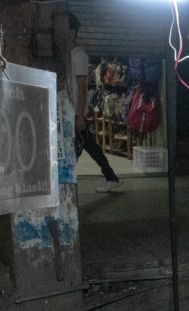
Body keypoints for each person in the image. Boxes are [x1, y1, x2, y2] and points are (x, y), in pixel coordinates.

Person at [69, 13, 122, 193]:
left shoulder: (78, 56)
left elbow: (82, 87)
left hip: (76, 114)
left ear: (72, 31)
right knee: (91, 147)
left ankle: (65, 190)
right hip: (73, 112)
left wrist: (80, 115)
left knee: (73, 154)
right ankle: (111, 177)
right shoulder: (69, 55)